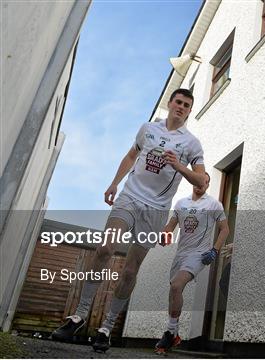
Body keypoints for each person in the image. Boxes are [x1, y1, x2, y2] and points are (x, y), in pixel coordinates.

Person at [52, 88, 206, 353]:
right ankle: (78, 316)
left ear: (190, 110)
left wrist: (180, 166)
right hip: (129, 198)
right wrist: (114, 183)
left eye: (187, 105)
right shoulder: (148, 129)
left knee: (131, 270)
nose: (181, 107)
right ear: (169, 104)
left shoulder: (191, 143)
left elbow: (201, 181)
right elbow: (131, 156)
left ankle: (106, 328)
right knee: (104, 249)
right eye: (178, 102)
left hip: (156, 210)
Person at [154, 172, 229, 354]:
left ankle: (169, 334)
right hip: (180, 255)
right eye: (197, 180)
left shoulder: (213, 204)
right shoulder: (181, 204)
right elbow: (171, 226)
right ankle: (175, 333)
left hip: (199, 254)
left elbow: (225, 229)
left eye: (204, 181)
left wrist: (214, 250)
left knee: (177, 286)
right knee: (173, 292)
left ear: (207, 185)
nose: (200, 184)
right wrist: (164, 235)